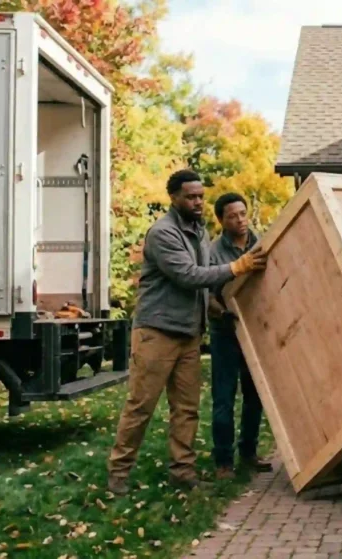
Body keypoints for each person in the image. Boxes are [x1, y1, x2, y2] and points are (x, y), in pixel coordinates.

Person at [106, 170, 266, 495]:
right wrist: (238, 266)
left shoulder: (197, 231)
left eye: (200, 196)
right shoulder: (163, 234)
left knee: (187, 408)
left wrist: (213, 305)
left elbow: (203, 285)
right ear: (174, 198)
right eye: (191, 196)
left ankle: (183, 471)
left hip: (189, 334)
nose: (197, 201)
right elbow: (189, 276)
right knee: (141, 406)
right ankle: (118, 475)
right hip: (157, 332)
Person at [207, 192, 272, 479]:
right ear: (221, 220)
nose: (240, 220)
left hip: (254, 331)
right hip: (224, 333)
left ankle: (248, 452)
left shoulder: (262, 245)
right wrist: (222, 313)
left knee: (254, 395)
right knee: (224, 397)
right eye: (232, 215)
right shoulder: (212, 253)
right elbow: (204, 295)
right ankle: (223, 461)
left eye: (243, 213)